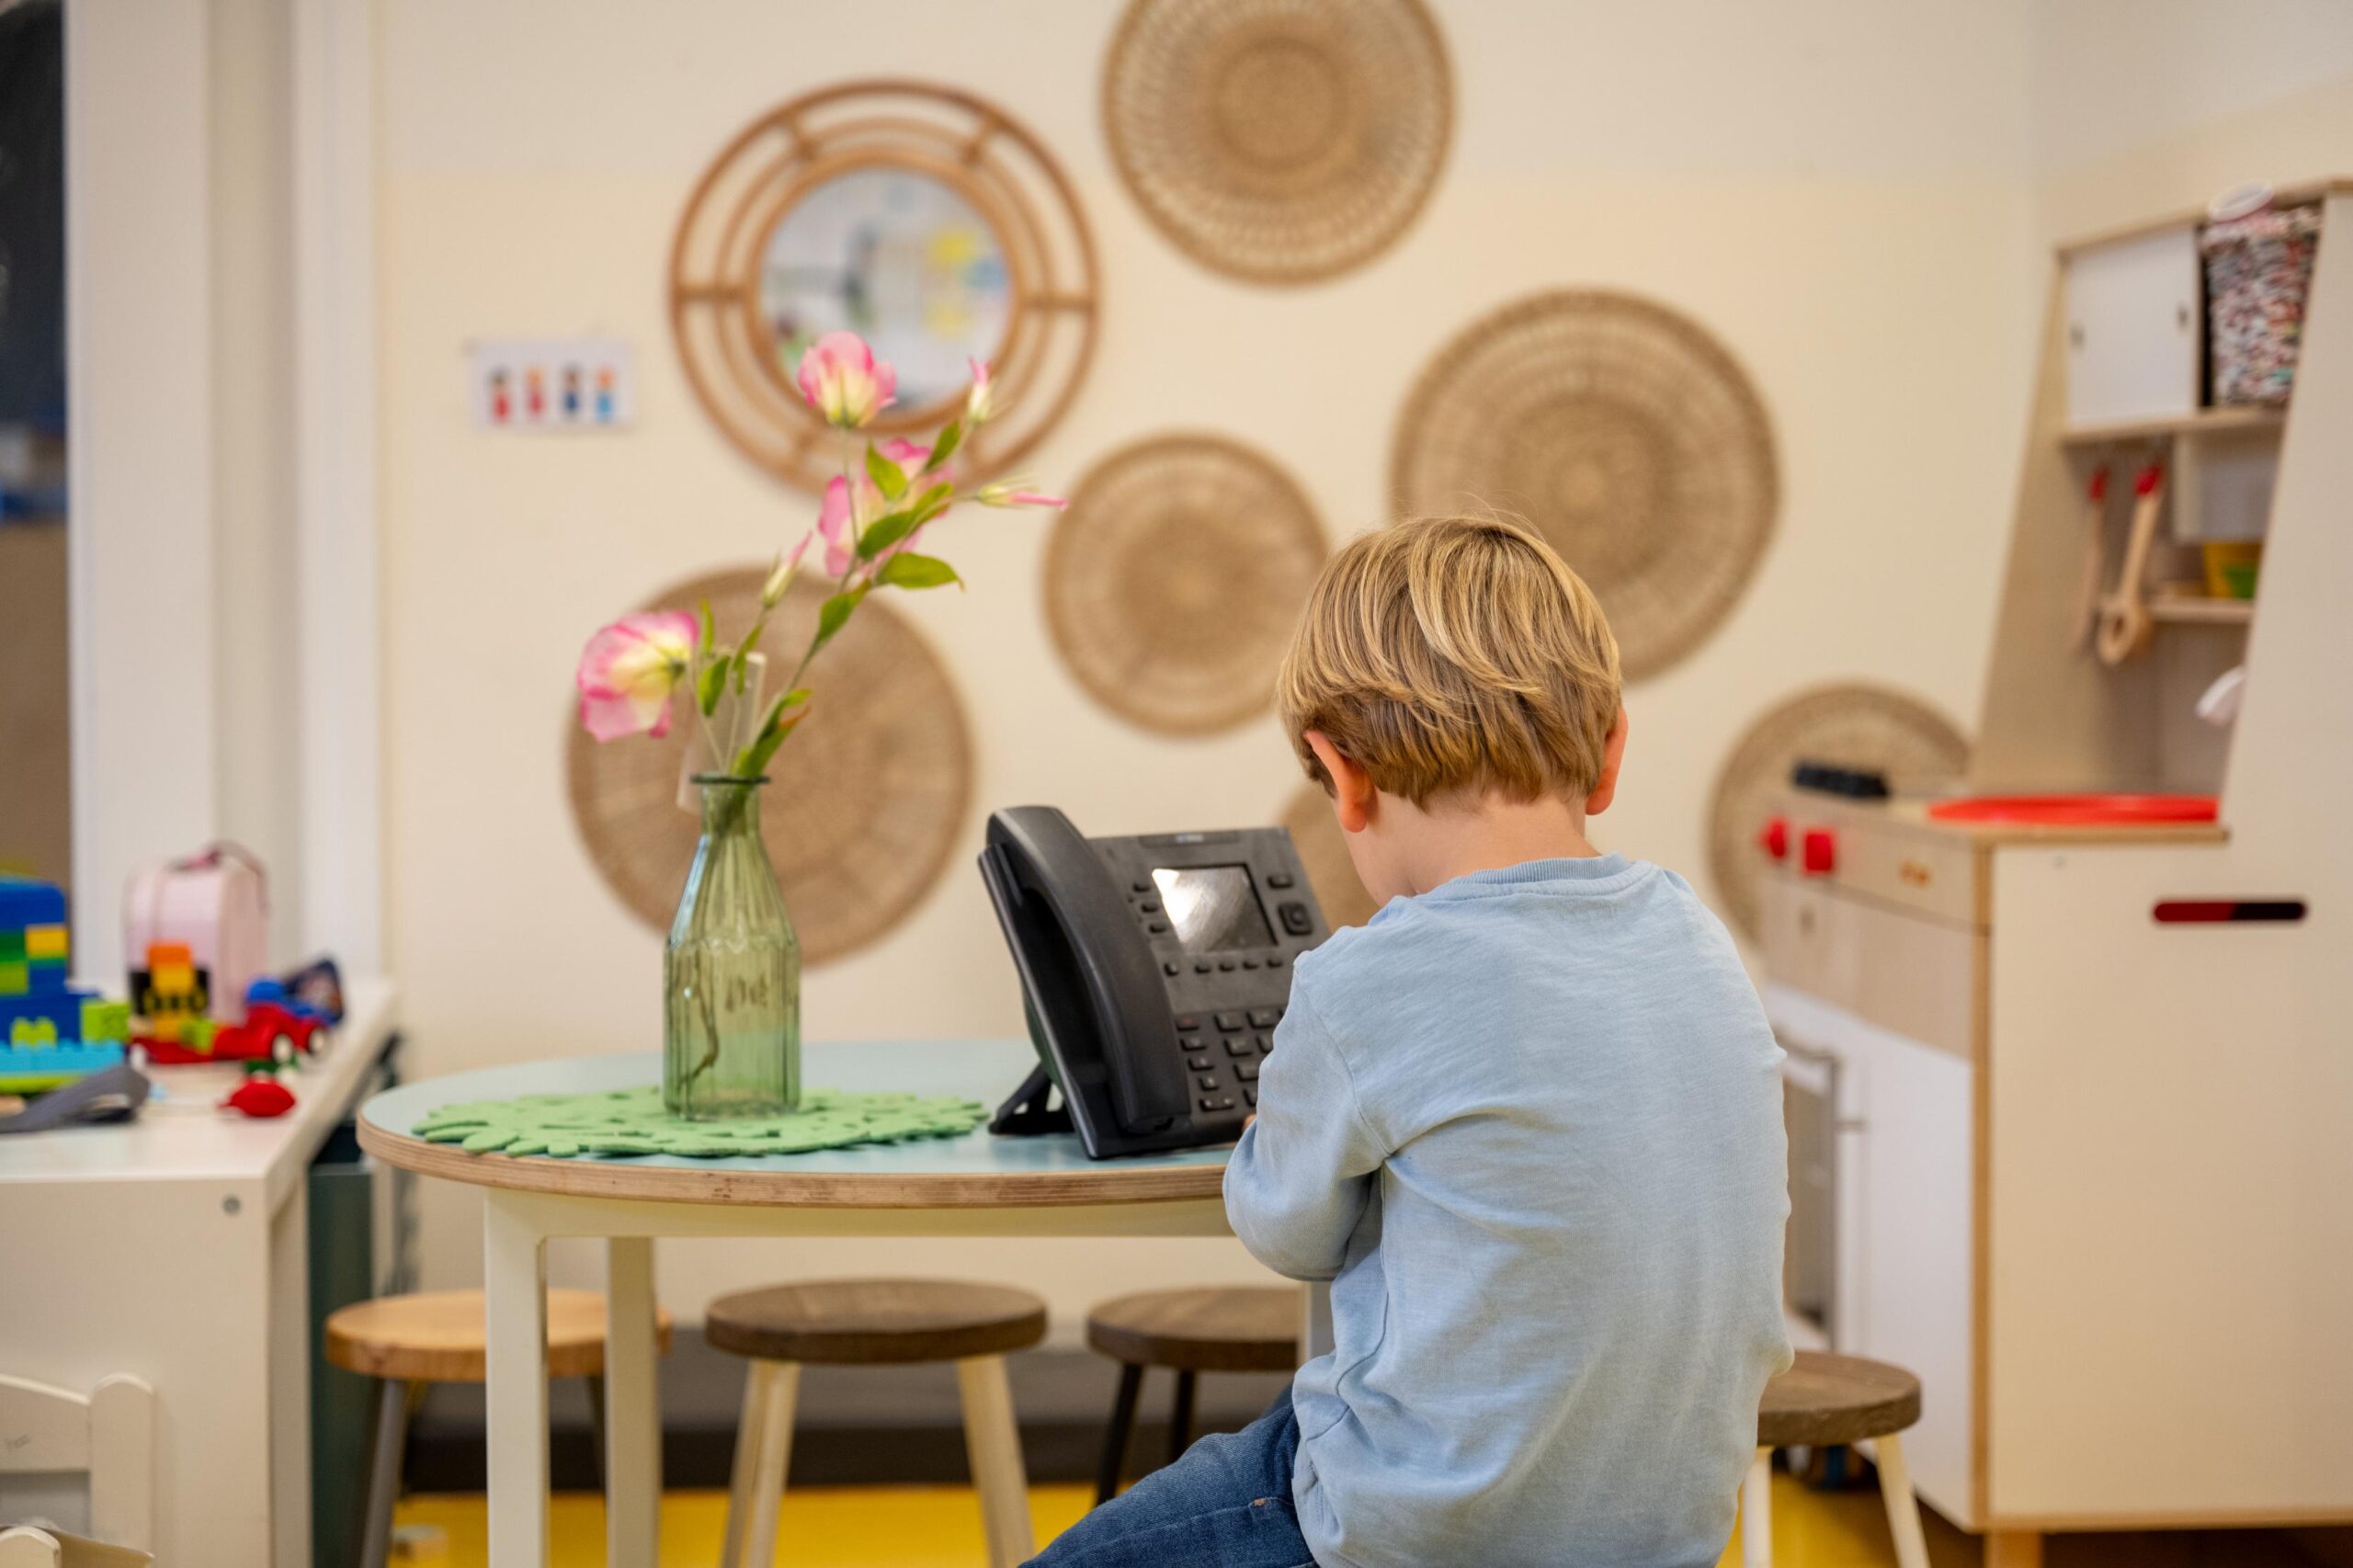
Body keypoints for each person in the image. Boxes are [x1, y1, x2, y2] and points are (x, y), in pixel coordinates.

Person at [1030, 515, 1791, 1568]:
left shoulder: (1366, 980)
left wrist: (1271, 1133)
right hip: (1664, 1531)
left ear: (1341, 777)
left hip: (1415, 1533)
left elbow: (1289, 1231)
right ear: (1612, 750)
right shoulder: (1695, 938)